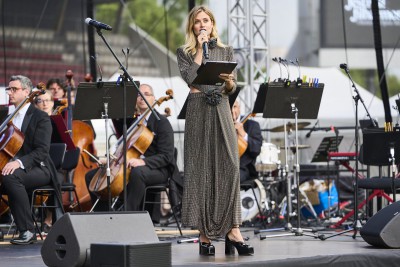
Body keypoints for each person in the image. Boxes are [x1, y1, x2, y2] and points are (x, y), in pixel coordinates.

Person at [176, 5, 254, 256]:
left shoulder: (226, 50)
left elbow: (231, 87)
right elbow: (190, 78)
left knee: (230, 166)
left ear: (212, 24)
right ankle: (204, 235)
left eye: (206, 20)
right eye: (197, 21)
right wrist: (200, 48)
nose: (202, 25)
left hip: (221, 106)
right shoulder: (185, 52)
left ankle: (233, 229)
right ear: (193, 27)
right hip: (198, 108)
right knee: (200, 169)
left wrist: (230, 82)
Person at [85, 84, 175, 220]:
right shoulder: (134, 122)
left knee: (137, 172)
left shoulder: (161, 122)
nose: (142, 97)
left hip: (158, 169)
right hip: (131, 165)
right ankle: (103, 217)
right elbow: (123, 147)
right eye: (139, 95)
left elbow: (167, 156)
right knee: (91, 176)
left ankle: (128, 217)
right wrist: (110, 160)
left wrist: (143, 161)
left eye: (146, 94)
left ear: (154, 98)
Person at [1, 75, 61, 245]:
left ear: (27, 92)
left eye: (14, 89)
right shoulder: (7, 116)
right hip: (13, 166)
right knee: (9, 174)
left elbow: (42, 151)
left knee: (11, 176)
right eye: (9, 89)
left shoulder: (40, 117)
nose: (10, 93)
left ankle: (27, 230)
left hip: (39, 168)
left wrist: (18, 163)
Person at [231, 100, 263, 182]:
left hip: (242, 168)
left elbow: (256, 150)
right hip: (222, 166)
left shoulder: (252, 125)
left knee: (230, 178)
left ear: (239, 108)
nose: (232, 110)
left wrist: (243, 134)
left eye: (234, 107)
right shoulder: (222, 124)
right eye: (229, 107)